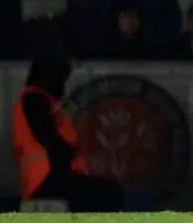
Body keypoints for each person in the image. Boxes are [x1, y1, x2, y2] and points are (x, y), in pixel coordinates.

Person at [13, 50, 124, 211]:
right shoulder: (34, 100)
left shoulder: (41, 100)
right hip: (46, 178)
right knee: (108, 194)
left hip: (50, 177)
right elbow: (48, 139)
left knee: (107, 192)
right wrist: (67, 154)